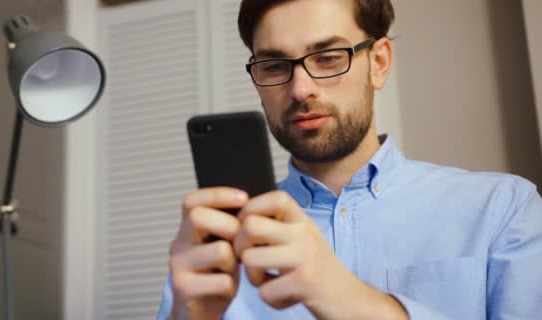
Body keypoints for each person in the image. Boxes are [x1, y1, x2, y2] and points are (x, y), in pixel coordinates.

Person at [157, 0, 542, 319]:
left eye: (327, 57)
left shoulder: (503, 209)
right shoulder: (216, 248)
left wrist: (342, 295)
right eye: (275, 66)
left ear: (379, 62)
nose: (300, 89)